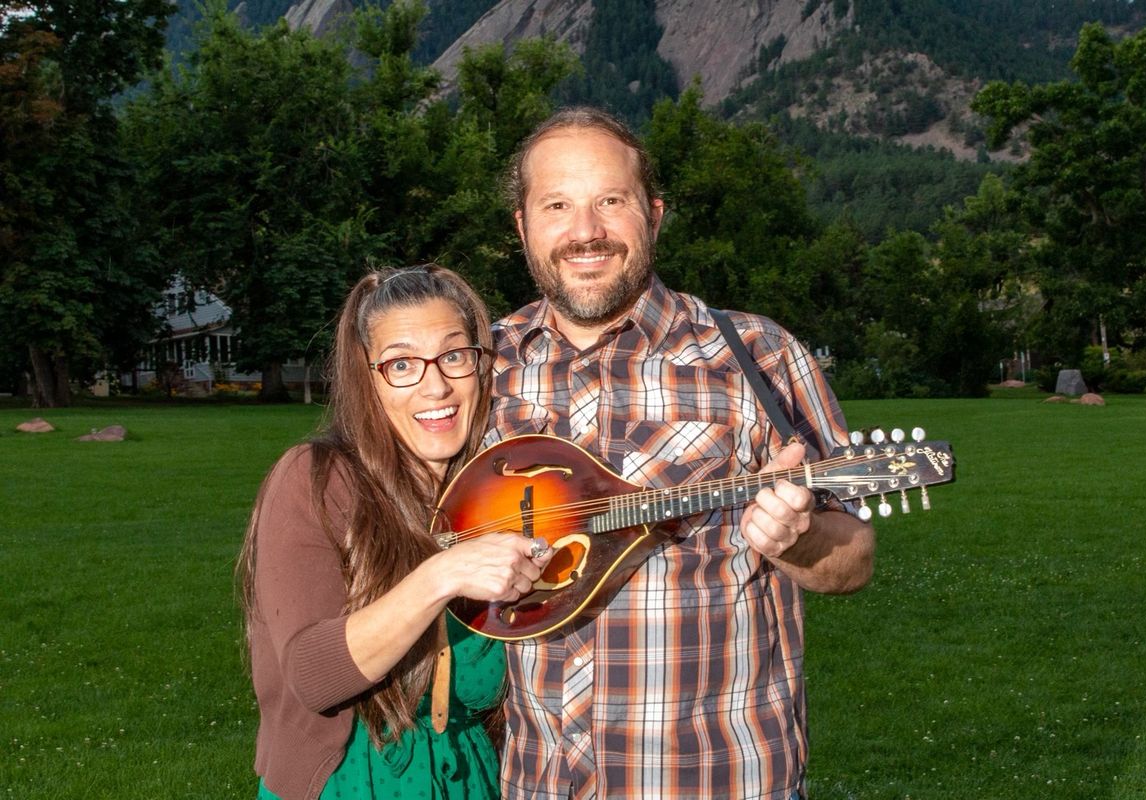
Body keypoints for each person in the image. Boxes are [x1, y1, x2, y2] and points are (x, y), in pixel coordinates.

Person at [486, 107, 877, 799]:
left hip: (717, 779)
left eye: (611, 201)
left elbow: (853, 560)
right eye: (557, 205)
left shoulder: (757, 357)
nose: (586, 232)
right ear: (522, 225)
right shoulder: (483, 366)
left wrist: (800, 537)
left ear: (654, 214)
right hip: (536, 780)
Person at [237, 266, 553, 800]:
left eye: (454, 356)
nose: (436, 386)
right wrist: (442, 575)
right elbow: (313, 677)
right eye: (402, 363)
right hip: (348, 783)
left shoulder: (499, 492)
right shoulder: (315, 480)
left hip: (471, 781)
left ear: (481, 366)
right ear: (368, 378)